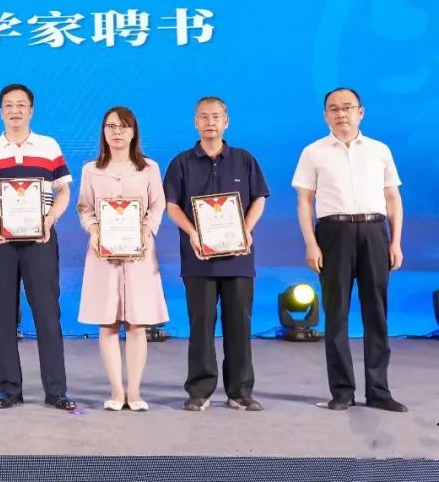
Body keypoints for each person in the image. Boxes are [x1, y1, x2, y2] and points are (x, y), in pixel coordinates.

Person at [291, 87, 406, 413]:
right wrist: (311, 244)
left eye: (347, 107)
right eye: (333, 108)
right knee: (336, 314)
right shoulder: (313, 152)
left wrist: (395, 241)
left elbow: (393, 198)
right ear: (325, 115)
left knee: (376, 314)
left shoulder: (379, 150)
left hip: (374, 231)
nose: (341, 113)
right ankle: (342, 391)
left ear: (360, 112)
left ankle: (379, 390)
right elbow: (304, 202)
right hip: (333, 233)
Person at [0, 83, 76, 411]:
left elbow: (63, 191)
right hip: (1, 240)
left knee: (47, 314)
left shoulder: (48, 146)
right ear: (0, 111)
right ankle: (9, 390)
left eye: (21, 105)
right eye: (8, 105)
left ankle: (56, 390)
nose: (15, 110)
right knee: (3, 316)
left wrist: (50, 219)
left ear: (31, 110)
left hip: (40, 240)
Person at [163, 97, 269, 412]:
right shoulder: (181, 162)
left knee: (240, 326)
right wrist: (192, 232)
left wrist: (246, 229)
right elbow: (171, 205)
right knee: (201, 326)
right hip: (198, 259)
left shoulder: (244, 159)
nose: (210, 122)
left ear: (226, 121)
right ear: (195, 122)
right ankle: (200, 390)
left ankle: (240, 391)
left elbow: (259, 198)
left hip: (239, 258)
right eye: (204, 117)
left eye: (216, 116)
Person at [77, 106, 168, 411]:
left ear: (133, 132)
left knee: (137, 324)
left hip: (139, 253)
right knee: (108, 324)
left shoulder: (149, 168)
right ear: (103, 132)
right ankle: (116, 391)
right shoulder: (91, 169)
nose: (117, 132)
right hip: (102, 255)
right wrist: (93, 229)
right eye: (111, 126)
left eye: (124, 126)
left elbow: (158, 205)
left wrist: (145, 229)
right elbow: (84, 208)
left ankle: (135, 391)